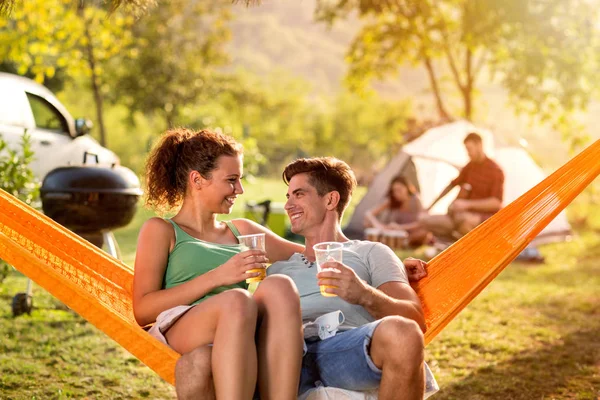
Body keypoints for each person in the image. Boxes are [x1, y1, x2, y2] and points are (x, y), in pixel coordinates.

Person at [171, 157, 432, 400]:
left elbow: (414, 319)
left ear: (330, 201)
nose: (287, 205)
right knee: (194, 364)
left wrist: (364, 293)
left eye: (299, 194)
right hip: (278, 361)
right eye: (288, 196)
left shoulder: (371, 252)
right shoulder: (276, 271)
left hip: (344, 351)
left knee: (403, 334)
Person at [133, 128, 304, 400]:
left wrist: (366, 253)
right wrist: (218, 276)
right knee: (237, 300)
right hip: (184, 323)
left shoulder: (242, 230)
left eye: (240, 180)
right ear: (197, 180)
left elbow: (308, 256)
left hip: (239, 325)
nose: (240, 189)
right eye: (231, 180)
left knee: (280, 287)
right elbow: (143, 310)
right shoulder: (162, 230)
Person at [420, 132, 504, 238]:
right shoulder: (470, 167)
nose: (468, 153)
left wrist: (467, 204)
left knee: (465, 221)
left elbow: (496, 203)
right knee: (425, 220)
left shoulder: (496, 171)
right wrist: (429, 207)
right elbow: (451, 185)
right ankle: (454, 236)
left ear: (480, 145)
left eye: (470, 149)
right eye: (466, 150)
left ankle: (463, 239)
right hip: (459, 216)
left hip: (484, 218)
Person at [364, 175, 432, 247]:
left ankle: (403, 242)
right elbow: (369, 214)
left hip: (411, 232)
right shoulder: (392, 200)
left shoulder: (415, 199)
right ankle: (399, 242)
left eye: (399, 190)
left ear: (407, 188)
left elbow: (422, 223)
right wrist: (378, 226)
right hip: (396, 232)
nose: (396, 193)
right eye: (394, 190)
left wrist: (401, 227)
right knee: (367, 223)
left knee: (425, 231)